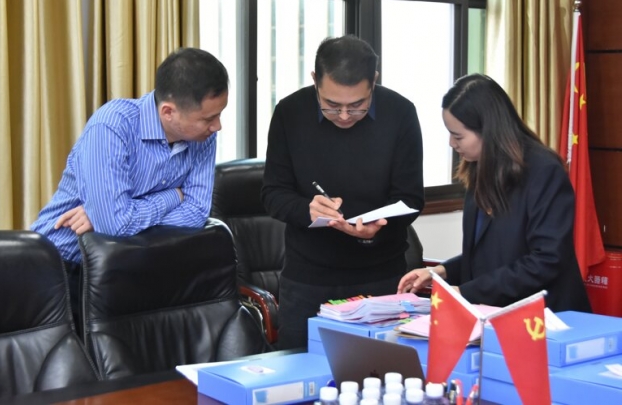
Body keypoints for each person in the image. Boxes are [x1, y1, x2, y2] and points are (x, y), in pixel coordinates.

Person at [31, 47, 229, 321]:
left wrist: (114, 213)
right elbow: (115, 226)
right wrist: (173, 196)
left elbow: (196, 212)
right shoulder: (113, 126)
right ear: (168, 112)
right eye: (208, 118)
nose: (217, 126)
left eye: (219, 114)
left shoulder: (203, 138)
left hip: (131, 264)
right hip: (63, 267)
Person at [262, 35, 425, 350]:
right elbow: (272, 194)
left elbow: (411, 199)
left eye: (358, 106)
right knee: (302, 368)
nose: (345, 116)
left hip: (381, 278)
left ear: (373, 82)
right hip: (308, 280)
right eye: (332, 106)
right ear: (315, 80)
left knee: (381, 369)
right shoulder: (289, 113)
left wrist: (374, 229)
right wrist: (307, 209)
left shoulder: (401, 113)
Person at [397, 73, 591, 313]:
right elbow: (486, 256)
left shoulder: (544, 171)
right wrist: (440, 271)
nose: (451, 144)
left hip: (546, 316)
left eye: (458, 136)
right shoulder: (479, 168)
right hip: (495, 313)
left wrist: (466, 292)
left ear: (488, 130)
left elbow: (546, 260)